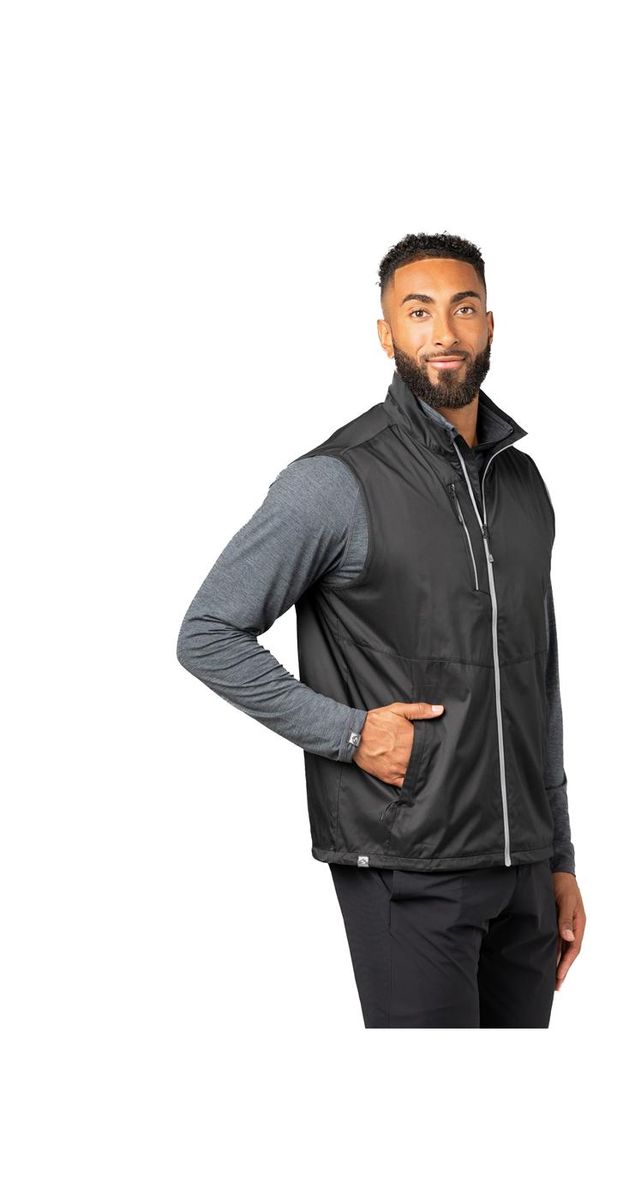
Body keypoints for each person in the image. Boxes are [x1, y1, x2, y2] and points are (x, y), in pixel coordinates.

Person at [176, 231, 586, 1027]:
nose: (444, 332)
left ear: (489, 324)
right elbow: (208, 632)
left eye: (463, 308)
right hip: (408, 860)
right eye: (418, 312)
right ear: (385, 333)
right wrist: (351, 733)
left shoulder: (521, 480)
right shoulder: (335, 481)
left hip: (525, 869)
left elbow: (538, 676)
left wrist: (558, 855)